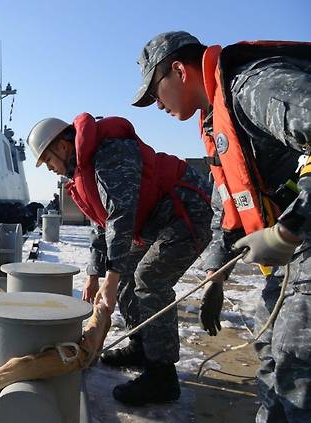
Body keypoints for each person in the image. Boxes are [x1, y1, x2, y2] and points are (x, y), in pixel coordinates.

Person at [132, 31, 311, 421]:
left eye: (155, 93)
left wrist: (291, 226)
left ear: (178, 70)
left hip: (304, 248)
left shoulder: (254, 86)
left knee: (296, 366)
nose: (156, 106)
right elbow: (226, 209)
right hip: (291, 261)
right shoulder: (217, 120)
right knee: (269, 349)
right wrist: (215, 276)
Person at [27, 113, 213, 405]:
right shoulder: (80, 171)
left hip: (186, 212)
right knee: (127, 277)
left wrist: (110, 276)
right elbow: (100, 224)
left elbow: (122, 213)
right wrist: (93, 274)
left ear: (62, 147)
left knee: (149, 280)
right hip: (157, 222)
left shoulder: (109, 150)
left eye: (48, 161)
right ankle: (141, 346)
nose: (50, 169)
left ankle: (163, 377)